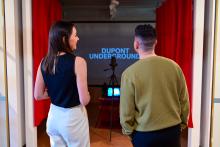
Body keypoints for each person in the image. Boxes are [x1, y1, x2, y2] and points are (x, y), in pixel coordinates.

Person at [120, 24, 189, 147]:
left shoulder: (129, 74)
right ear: (155, 42)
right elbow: (184, 101)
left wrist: (129, 132)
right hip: (172, 132)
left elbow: (126, 112)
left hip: (144, 135)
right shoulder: (174, 67)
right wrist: (181, 124)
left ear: (136, 44)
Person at [34, 21, 90, 147]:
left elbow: (38, 95)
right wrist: (88, 94)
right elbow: (84, 100)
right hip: (73, 119)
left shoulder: (44, 61)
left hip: (53, 117)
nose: (78, 38)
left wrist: (56, 92)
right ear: (65, 39)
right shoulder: (78, 61)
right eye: (75, 35)